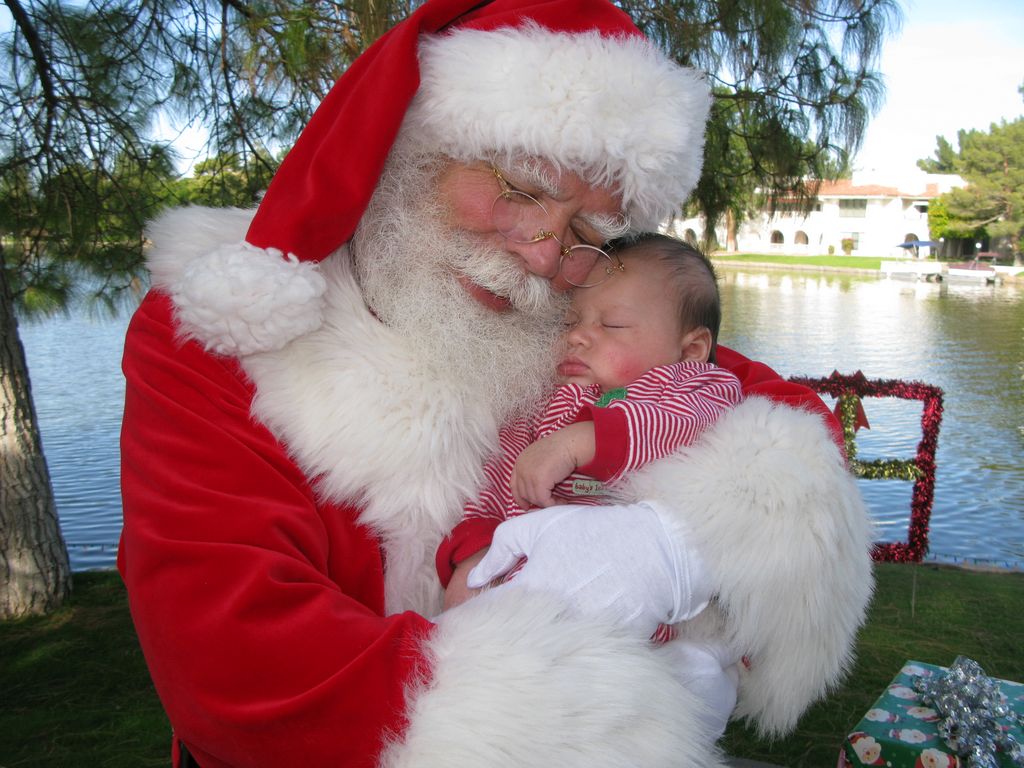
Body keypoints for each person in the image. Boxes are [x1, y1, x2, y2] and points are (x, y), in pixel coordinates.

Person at [118, 0, 876, 765]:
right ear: (412, 147)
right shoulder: (220, 329)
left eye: (588, 235)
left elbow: (766, 412)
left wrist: (666, 548)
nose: (544, 257)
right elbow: (236, 662)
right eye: (520, 187)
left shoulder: (565, 317)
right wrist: (559, 701)